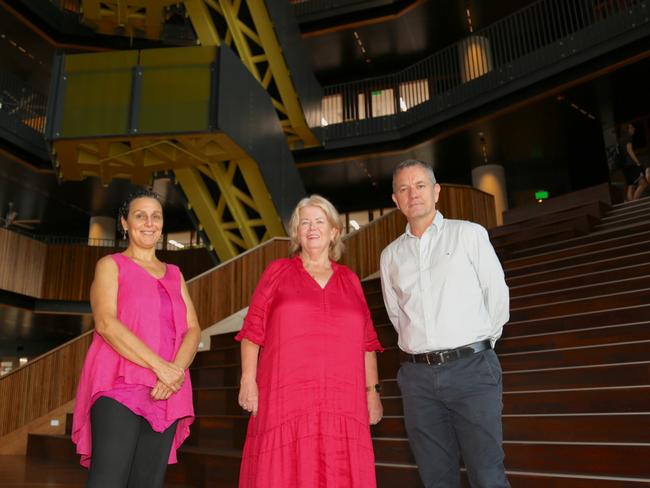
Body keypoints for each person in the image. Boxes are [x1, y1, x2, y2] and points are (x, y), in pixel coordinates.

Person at [235, 194, 383, 488]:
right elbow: (252, 331)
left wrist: (373, 392)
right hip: (284, 398)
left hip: (343, 401)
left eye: (320, 221)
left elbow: (367, 344)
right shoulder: (277, 272)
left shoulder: (351, 281)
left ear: (334, 232)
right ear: (296, 233)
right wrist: (248, 381)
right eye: (305, 223)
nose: (312, 228)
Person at [380, 160, 510, 488]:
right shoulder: (390, 256)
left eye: (421, 185)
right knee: (436, 479)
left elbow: (496, 297)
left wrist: (475, 345)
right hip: (417, 379)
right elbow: (397, 315)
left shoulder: (469, 234)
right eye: (404, 189)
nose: (413, 194)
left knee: (487, 476)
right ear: (395, 200)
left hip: (472, 370)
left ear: (436, 191)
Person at [71, 189, 200, 487]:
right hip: (120, 385)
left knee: (148, 481)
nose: (149, 223)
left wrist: (174, 373)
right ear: (124, 223)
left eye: (156, 216)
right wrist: (161, 368)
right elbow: (106, 324)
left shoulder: (175, 273)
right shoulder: (110, 265)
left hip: (167, 389)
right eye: (140, 215)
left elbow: (193, 329)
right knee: (109, 479)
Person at [620, 123, 647, 201]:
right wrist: (637, 162)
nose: (633, 128)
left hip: (625, 166)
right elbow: (630, 150)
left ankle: (631, 204)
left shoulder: (621, 139)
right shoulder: (628, 137)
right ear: (627, 129)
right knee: (643, 183)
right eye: (631, 127)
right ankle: (635, 202)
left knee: (631, 185)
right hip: (631, 164)